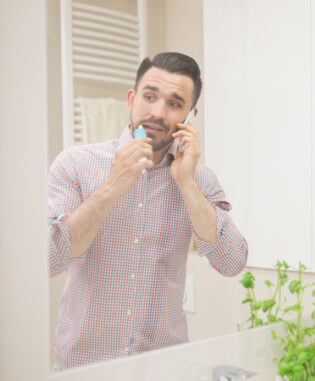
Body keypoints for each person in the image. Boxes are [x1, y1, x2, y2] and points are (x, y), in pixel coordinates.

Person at [48, 52, 248, 369]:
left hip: (164, 367)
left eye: (174, 103)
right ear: (132, 98)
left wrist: (187, 184)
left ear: (189, 115)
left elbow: (233, 261)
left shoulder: (199, 179)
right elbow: (50, 258)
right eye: (150, 97)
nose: (157, 112)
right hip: (84, 367)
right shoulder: (74, 164)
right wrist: (112, 186)